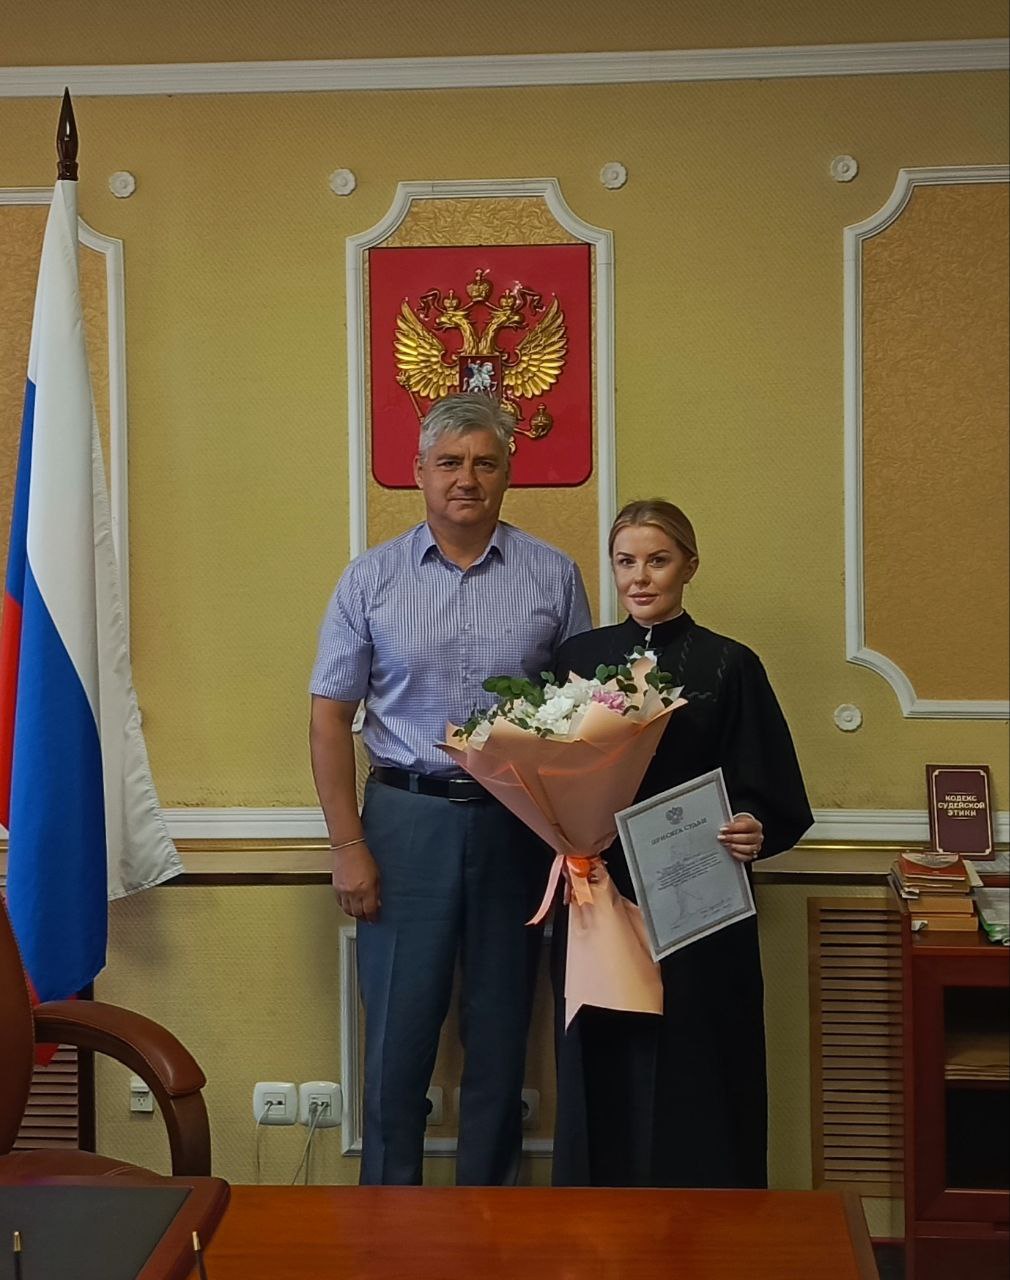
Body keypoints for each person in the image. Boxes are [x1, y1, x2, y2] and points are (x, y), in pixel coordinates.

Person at [309, 392, 592, 1186]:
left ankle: (487, 1217)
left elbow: (584, 717)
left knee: (501, 1036)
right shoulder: (371, 579)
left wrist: (576, 837)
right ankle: (388, 1217)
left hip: (515, 828)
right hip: (404, 825)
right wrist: (347, 846)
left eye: (484, 463)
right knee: (398, 1040)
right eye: (449, 463)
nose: (466, 478)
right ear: (419, 473)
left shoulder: (553, 575)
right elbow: (329, 719)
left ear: (508, 473)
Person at [551, 498, 812, 1189]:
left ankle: (708, 1217)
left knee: (697, 1054)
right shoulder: (578, 659)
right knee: (604, 1045)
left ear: (689, 567)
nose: (640, 578)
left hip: (699, 898)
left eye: (658, 561)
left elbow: (767, 787)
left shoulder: (730, 664)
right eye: (626, 562)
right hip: (599, 892)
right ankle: (598, 1220)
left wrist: (754, 824)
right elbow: (545, 772)